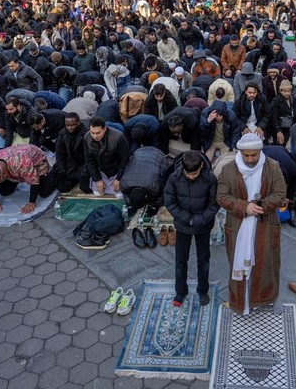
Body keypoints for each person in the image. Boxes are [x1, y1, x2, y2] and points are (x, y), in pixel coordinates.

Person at [216, 133, 286, 315]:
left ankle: (267, 299)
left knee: (267, 264)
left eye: (253, 155)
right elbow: (221, 197)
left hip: (266, 224)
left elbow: (279, 193)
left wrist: (260, 206)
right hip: (238, 226)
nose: (250, 159)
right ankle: (241, 303)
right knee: (238, 265)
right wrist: (244, 207)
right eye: (246, 155)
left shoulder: (273, 166)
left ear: (259, 151)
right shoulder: (229, 169)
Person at [164, 151, 220, 307]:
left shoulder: (210, 179)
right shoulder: (174, 178)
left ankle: (203, 291)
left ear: (202, 165)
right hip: (183, 226)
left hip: (203, 226)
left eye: (194, 174)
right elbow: (170, 202)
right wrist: (186, 218)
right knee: (180, 260)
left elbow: (214, 204)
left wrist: (200, 219)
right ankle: (180, 292)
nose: (191, 177)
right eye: (188, 174)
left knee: (203, 260)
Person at [0, 144, 54, 214]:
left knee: (45, 193)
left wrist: (31, 203)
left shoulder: (22, 162)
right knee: (4, 192)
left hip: (36, 159)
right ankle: (17, 178)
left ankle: (55, 172)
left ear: (5, 173)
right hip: (14, 164)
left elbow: (34, 181)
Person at [84, 116, 130, 196]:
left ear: (104, 129)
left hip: (116, 171)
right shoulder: (86, 137)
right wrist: (97, 179)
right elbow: (89, 161)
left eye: (98, 133)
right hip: (101, 171)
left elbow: (125, 160)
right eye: (92, 133)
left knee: (120, 195)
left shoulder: (118, 137)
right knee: (98, 193)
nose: (95, 136)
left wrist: (118, 178)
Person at [121, 145, 173, 216]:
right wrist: (130, 205)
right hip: (139, 152)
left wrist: (156, 206)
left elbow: (164, 192)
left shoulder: (154, 186)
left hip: (158, 155)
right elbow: (125, 194)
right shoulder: (124, 184)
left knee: (165, 173)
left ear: (146, 196)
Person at [52, 112, 91, 193]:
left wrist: (85, 171)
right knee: (62, 188)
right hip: (70, 166)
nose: (70, 128)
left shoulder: (86, 133)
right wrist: (62, 169)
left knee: (86, 188)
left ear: (79, 122)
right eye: (67, 125)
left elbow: (89, 155)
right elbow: (59, 152)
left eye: (72, 125)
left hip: (82, 166)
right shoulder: (63, 133)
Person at [270, 79, 296, 147]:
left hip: (293, 126)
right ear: (281, 91)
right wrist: (278, 131)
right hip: (281, 127)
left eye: (289, 91)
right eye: (285, 91)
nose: (287, 93)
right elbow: (274, 117)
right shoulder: (276, 101)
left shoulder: (295, 100)